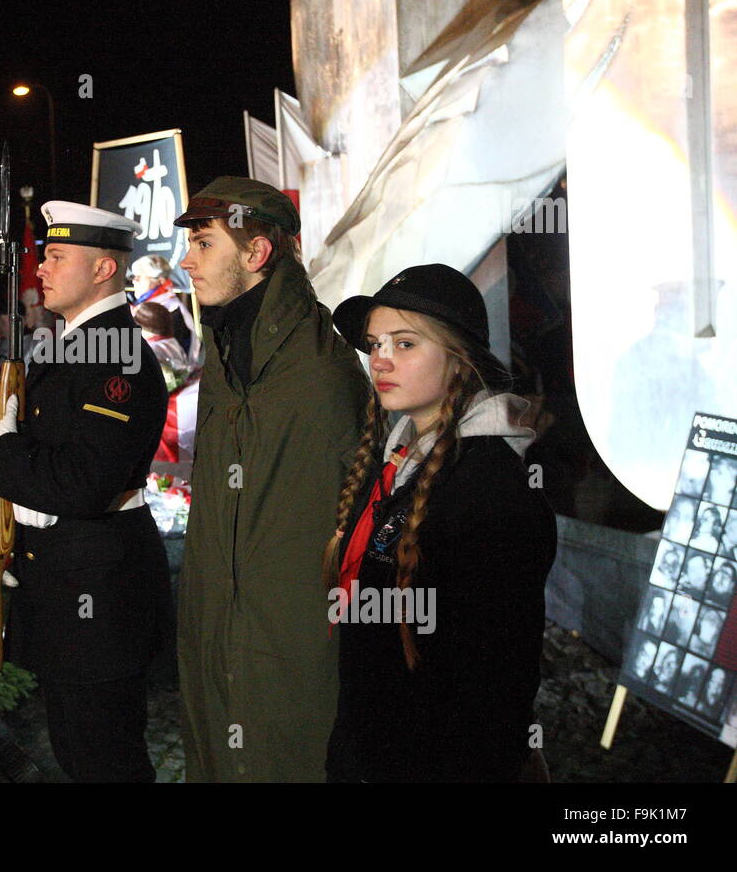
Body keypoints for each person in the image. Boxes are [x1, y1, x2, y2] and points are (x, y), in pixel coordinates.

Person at [0, 201, 170, 782]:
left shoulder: (119, 356)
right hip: (61, 591)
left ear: (104, 269)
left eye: (55, 256)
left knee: (107, 761)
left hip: (99, 596)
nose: (40, 270)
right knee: (77, 753)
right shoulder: (63, 347)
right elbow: (18, 463)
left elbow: (80, 484)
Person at [324, 263, 557, 782]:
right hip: (374, 747)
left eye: (405, 344)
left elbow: (495, 671)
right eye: (375, 343)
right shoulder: (398, 457)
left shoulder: (490, 489)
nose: (380, 359)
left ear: (458, 360)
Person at [173, 177, 368, 782]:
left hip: (286, 655)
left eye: (204, 244)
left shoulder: (322, 370)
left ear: (255, 253)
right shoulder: (227, 351)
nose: (187, 260)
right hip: (216, 641)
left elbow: (348, 530)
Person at [129, 253, 197, 358]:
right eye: (133, 276)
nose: (134, 281)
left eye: (139, 277)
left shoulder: (171, 309)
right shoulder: (151, 305)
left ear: (160, 281)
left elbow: (172, 357)